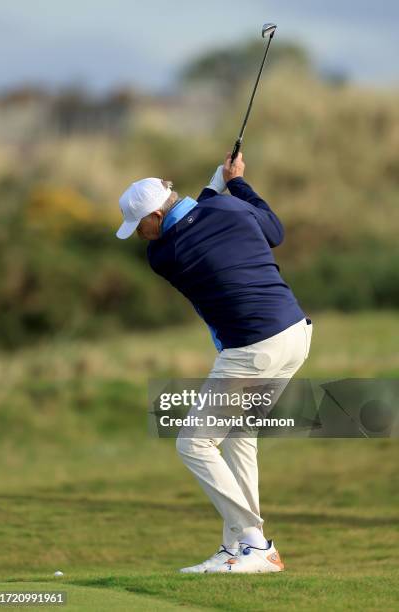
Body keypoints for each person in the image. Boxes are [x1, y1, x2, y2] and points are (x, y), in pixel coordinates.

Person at [116, 152, 312, 574]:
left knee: (194, 442)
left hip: (252, 349)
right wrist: (235, 183)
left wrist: (217, 182)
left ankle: (255, 544)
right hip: (295, 335)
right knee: (240, 437)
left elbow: (194, 213)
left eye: (140, 226)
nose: (139, 236)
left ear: (154, 215)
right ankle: (235, 548)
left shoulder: (163, 255)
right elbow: (271, 229)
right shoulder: (229, 207)